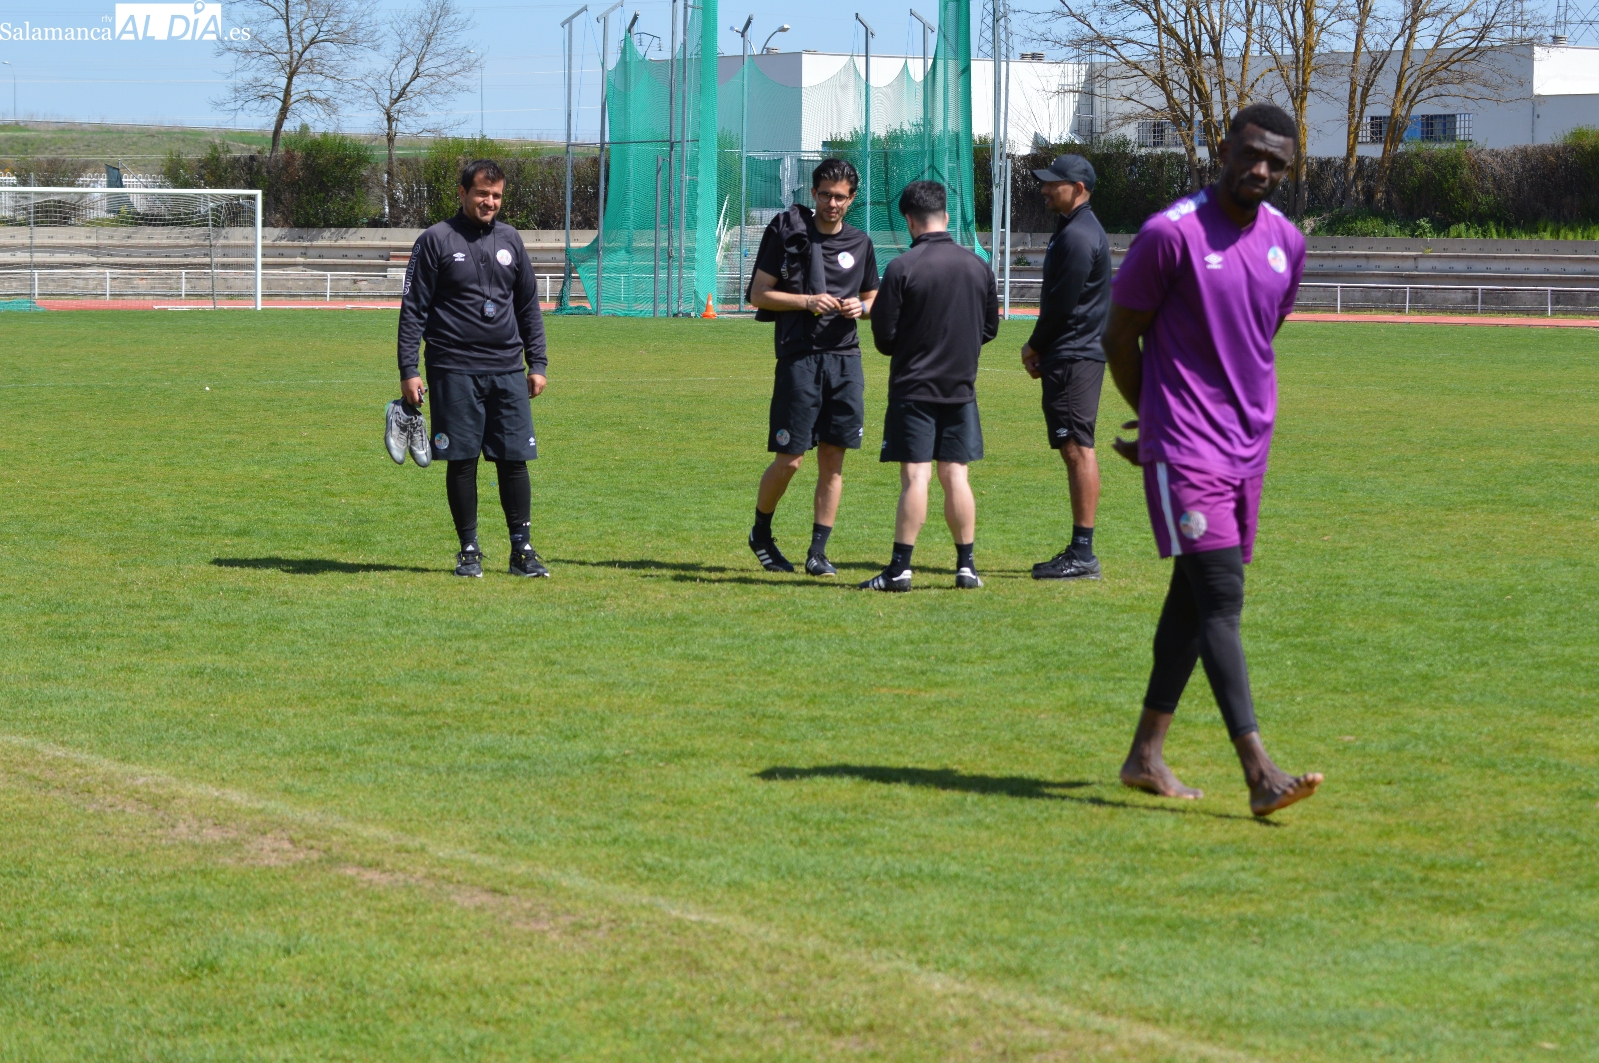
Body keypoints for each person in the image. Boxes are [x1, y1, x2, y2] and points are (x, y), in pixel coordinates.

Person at [1104, 103, 1322, 816]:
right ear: (1222, 147)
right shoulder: (1170, 234)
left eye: (1275, 163)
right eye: (1250, 153)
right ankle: (1259, 770)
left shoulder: (1287, 242)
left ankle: (1143, 754)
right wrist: (1155, 418)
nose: (1260, 170)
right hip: (1187, 446)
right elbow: (1119, 336)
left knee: (1192, 599)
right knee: (1222, 596)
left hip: (1246, 447)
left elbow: (1262, 333)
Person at [397, 159, 550, 579]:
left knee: (514, 459)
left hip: (506, 369)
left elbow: (527, 308)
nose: (490, 202)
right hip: (453, 368)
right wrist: (408, 369)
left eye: (497, 195)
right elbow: (413, 309)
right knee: (461, 461)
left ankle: (523, 551)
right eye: (482, 193)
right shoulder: (435, 240)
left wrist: (537, 362)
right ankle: (468, 550)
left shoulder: (511, 240)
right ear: (462, 193)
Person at [860, 181, 999, 592]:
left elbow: (885, 339)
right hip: (960, 389)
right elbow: (989, 328)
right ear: (947, 216)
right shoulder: (978, 265)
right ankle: (966, 567)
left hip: (913, 389)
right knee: (956, 476)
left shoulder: (902, 268)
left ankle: (901, 569)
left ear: (907, 220)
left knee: (916, 478)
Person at [746, 158, 879, 576]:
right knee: (791, 459)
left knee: (833, 459)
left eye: (840, 197)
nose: (832, 203)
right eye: (825, 195)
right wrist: (805, 301)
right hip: (799, 359)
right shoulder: (789, 234)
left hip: (845, 361)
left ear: (852, 199)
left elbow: (876, 298)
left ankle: (818, 551)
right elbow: (758, 294)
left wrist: (863, 306)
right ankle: (761, 533)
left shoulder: (861, 243)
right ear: (814, 193)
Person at [1021, 154, 1112, 581]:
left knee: (1077, 447)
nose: (1044, 189)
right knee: (1073, 446)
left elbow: (1063, 303)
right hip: (1071, 352)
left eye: (1052, 184)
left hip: (1074, 354)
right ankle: (1080, 551)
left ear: (1077, 188)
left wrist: (1034, 345)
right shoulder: (1073, 229)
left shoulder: (1079, 235)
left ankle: (1083, 553)